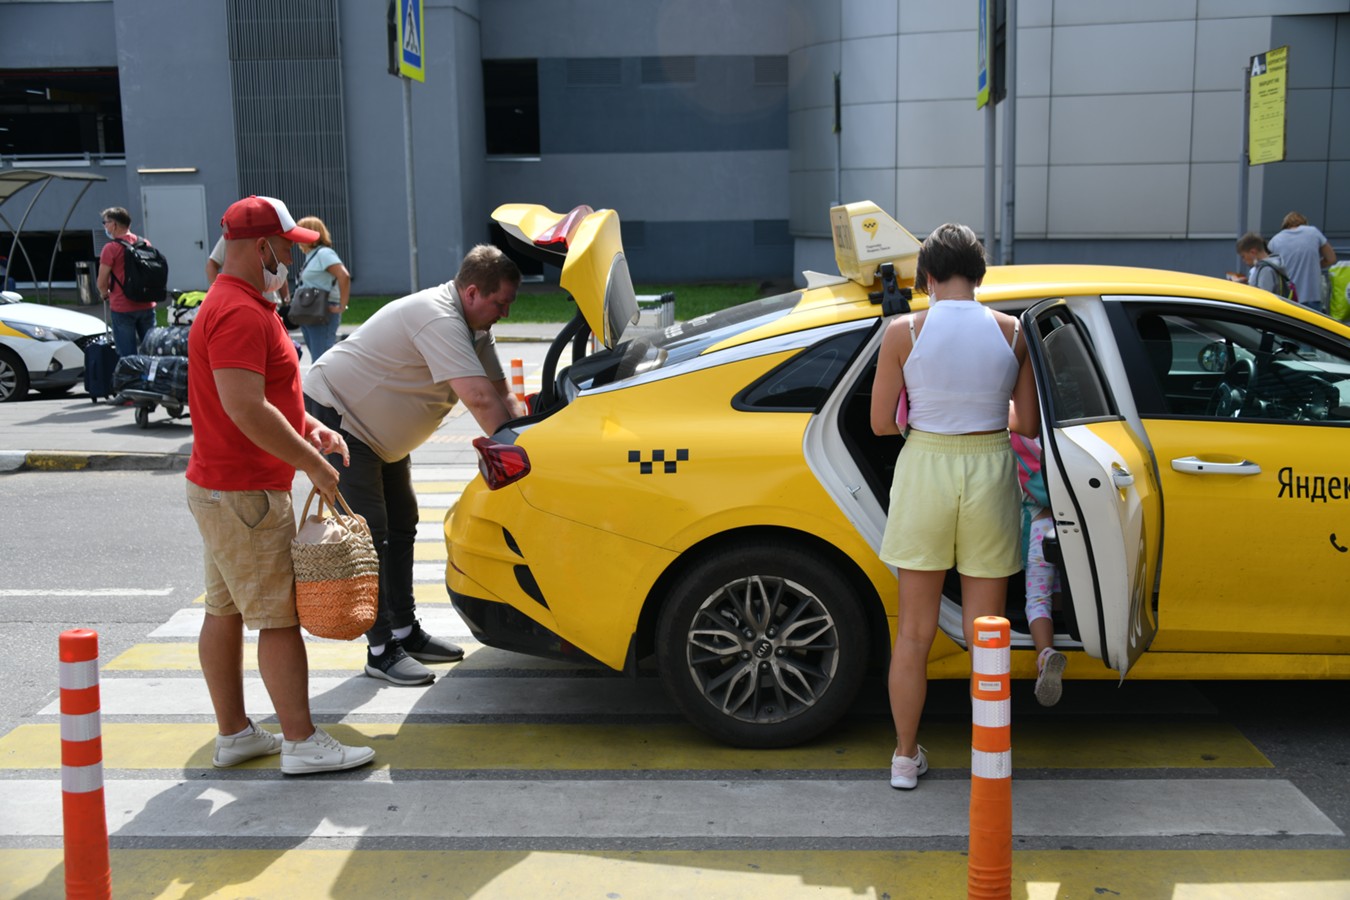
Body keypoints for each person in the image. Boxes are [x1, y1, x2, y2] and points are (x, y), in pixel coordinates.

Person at [186, 194, 374, 774]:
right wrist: (311, 464)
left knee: (225, 610)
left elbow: (264, 399)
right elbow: (245, 407)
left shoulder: (240, 302)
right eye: (287, 250)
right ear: (262, 247)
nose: (291, 261)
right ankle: (301, 741)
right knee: (276, 618)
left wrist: (310, 427)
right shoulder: (240, 311)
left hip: (225, 489)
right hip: (245, 493)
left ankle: (236, 734)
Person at [303, 244, 528, 686]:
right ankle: (381, 649)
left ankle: (404, 629)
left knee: (403, 522)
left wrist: (528, 438)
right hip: (340, 417)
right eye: (501, 303)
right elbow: (480, 399)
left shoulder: (476, 327)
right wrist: (519, 457)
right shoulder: (440, 319)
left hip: (378, 435)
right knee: (372, 533)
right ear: (471, 292)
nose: (504, 312)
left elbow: (503, 393)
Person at [869, 222, 1039, 790]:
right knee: (985, 630)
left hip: (925, 470)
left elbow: (877, 423)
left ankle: (903, 756)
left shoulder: (903, 331)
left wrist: (924, 417)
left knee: (914, 632)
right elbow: (1028, 423)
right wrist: (989, 416)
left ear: (929, 277)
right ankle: (986, 754)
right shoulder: (1013, 333)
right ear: (979, 273)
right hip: (991, 466)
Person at [1010, 432, 1066, 707]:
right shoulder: (1064, 439)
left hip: (1039, 531)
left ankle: (1045, 652)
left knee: (1037, 602)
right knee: (1061, 589)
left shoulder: (1019, 442)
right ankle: (1070, 630)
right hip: (1069, 530)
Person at [96, 207, 157, 357]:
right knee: (152, 352)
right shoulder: (145, 243)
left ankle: (131, 379)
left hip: (123, 307)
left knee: (127, 355)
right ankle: (151, 378)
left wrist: (104, 293)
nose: (104, 226)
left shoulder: (111, 248)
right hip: (147, 303)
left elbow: (102, 280)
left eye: (105, 223)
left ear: (113, 224)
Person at [292, 216, 351, 360]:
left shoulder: (324, 253)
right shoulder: (312, 255)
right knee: (318, 358)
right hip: (309, 313)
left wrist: (341, 306)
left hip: (322, 311)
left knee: (321, 359)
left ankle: (327, 383)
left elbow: (344, 276)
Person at [1268, 211, 1336, 313]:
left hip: (1287, 297)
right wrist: (1314, 266)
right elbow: (1331, 258)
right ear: (1304, 223)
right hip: (1312, 295)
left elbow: (1271, 269)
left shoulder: (1275, 240)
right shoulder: (1313, 232)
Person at [207, 234, 289, 307]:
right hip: (244, 304)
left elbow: (278, 268)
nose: (290, 260)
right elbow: (211, 265)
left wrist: (286, 301)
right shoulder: (232, 236)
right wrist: (221, 295)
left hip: (272, 305)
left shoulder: (272, 234)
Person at [1235, 232, 1296, 302]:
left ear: (1253, 252)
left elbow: (1262, 300)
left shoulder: (1266, 270)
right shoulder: (1272, 264)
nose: (1243, 260)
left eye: (1243, 256)